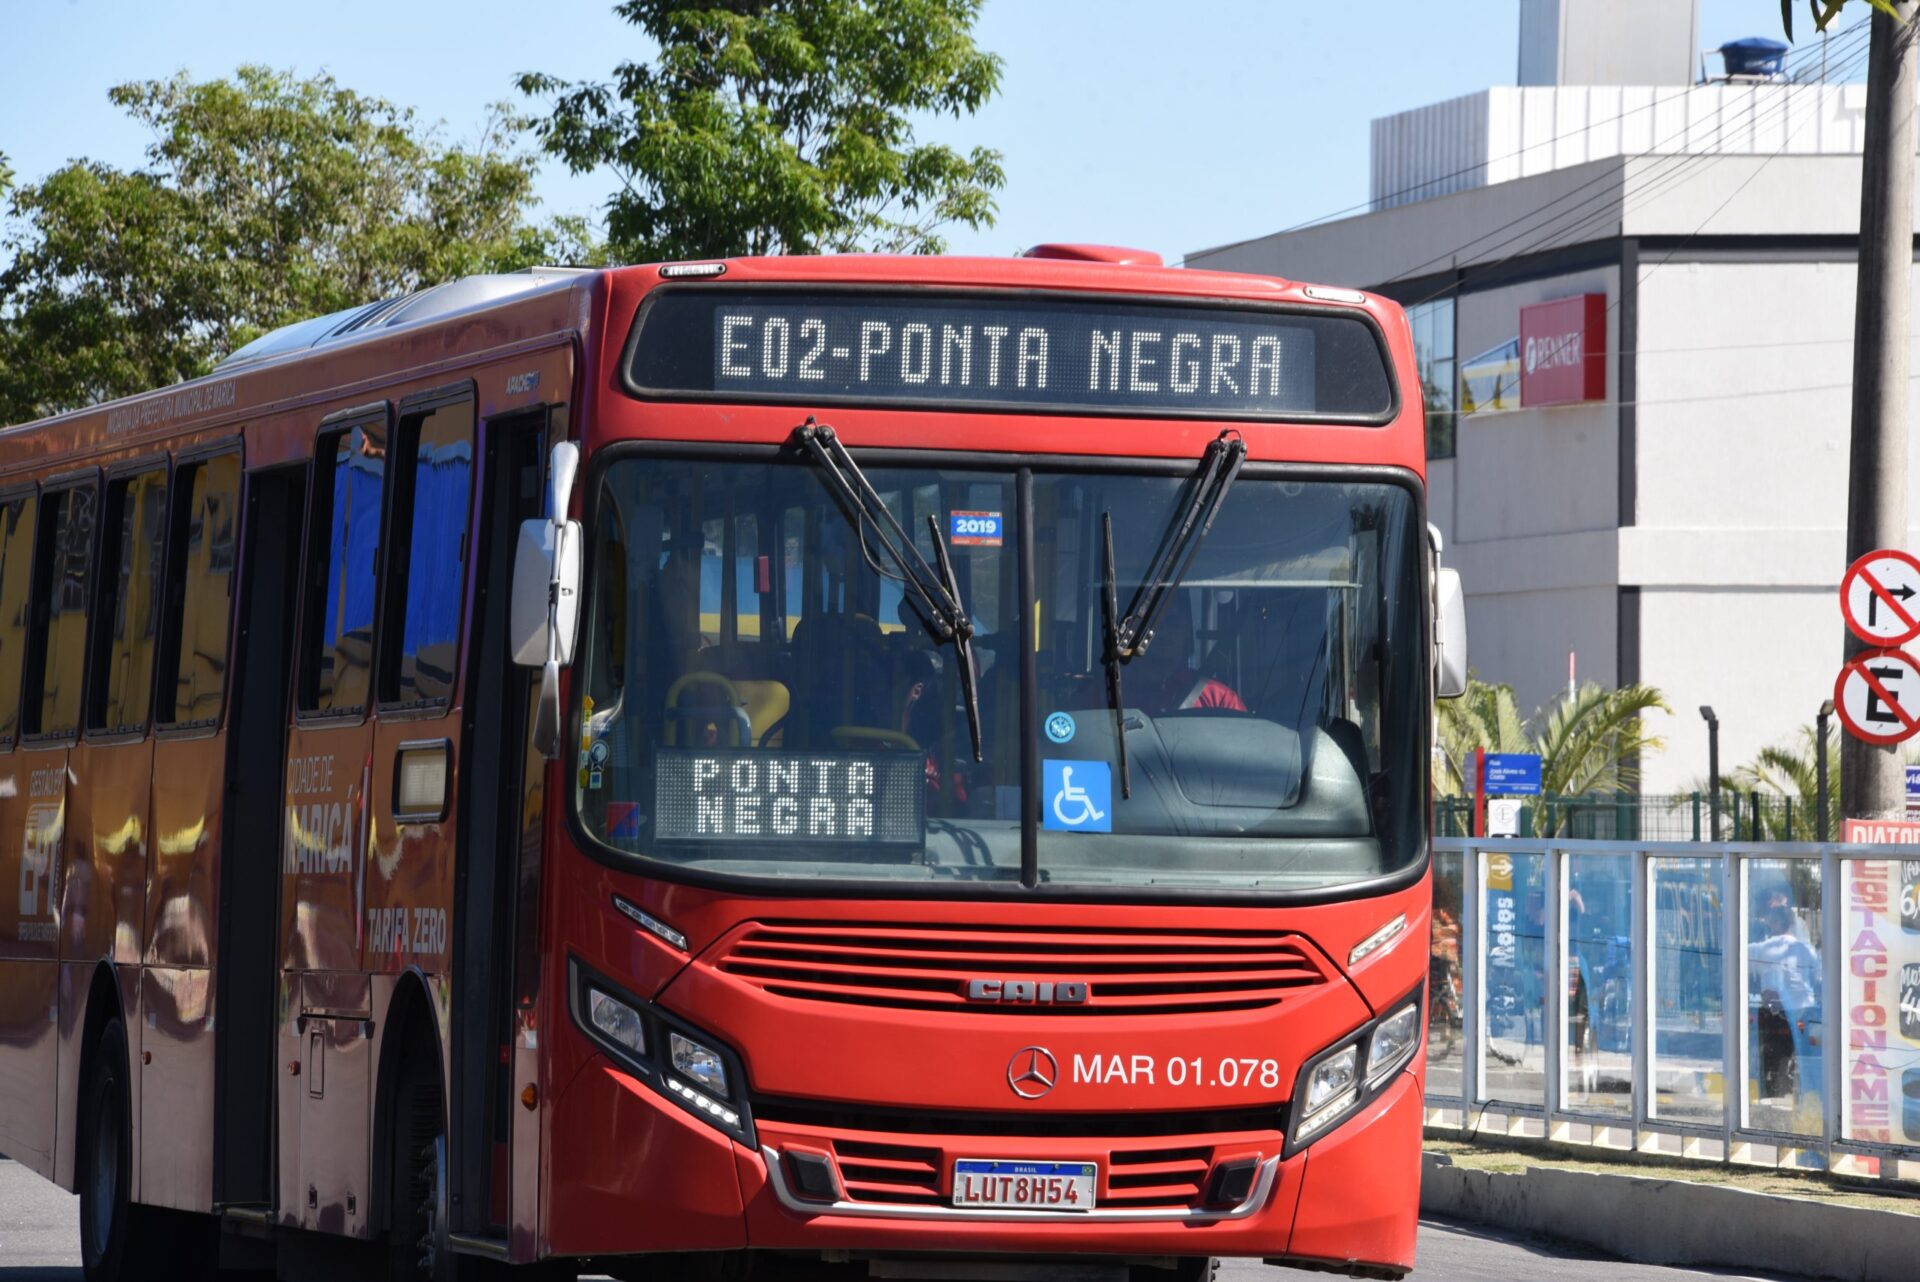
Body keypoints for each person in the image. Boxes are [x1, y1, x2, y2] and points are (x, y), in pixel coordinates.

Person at [1129, 592, 1247, 713]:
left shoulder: (1221, 700)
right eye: (1152, 625)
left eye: (1172, 623)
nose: (1163, 633)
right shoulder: (1117, 693)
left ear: (1187, 632)